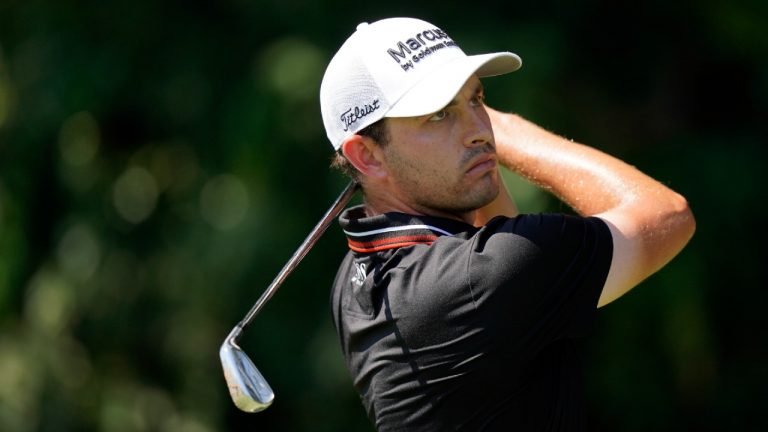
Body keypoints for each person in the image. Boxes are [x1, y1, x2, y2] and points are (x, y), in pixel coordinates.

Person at [319, 17, 695, 431]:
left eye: (477, 100)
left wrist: (467, 133)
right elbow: (667, 214)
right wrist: (514, 132)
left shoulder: (358, 277)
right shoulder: (482, 278)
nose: (480, 131)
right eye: (439, 114)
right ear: (367, 156)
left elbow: (495, 230)